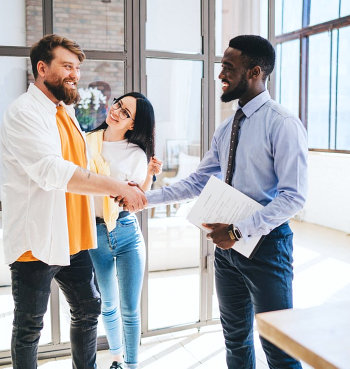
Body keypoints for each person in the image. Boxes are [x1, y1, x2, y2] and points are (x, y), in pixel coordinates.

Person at [146, 35, 307, 369]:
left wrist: (237, 230)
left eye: (228, 67)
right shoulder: (227, 127)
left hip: (267, 249)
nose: (221, 74)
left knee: (279, 347)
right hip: (227, 253)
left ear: (255, 71)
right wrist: (144, 199)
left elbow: (293, 197)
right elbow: (197, 181)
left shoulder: (283, 124)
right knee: (235, 339)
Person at [0, 34, 146, 369]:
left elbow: (85, 164)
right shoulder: (24, 112)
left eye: (77, 68)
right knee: (29, 328)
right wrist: (118, 187)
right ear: (42, 68)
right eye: (67, 66)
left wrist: (125, 182)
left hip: (72, 237)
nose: (75, 74)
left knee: (88, 307)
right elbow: (52, 170)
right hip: (37, 241)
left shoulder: (64, 110)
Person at [86, 92, 162, 369]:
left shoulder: (136, 153)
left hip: (127, 231)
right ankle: (116, 356)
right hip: (95, 233)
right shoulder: (86, 143)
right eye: (118, 104)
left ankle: (131, 365)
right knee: (107, 304)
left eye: (126, 112)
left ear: (133, 125)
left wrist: (149, 176)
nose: (116, 111)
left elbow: (137, 199)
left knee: (130, 309)